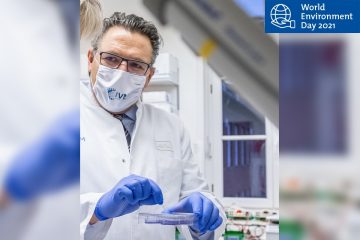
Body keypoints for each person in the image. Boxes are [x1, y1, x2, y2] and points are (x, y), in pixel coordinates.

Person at [80, 12, 226, 240]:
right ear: (91, 59)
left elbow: (196, 196)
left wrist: (203, 220)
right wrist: (96, 209)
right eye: (111, 59)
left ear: (149, 76)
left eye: (136, 65)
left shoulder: (171, 126)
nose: (121, 71)